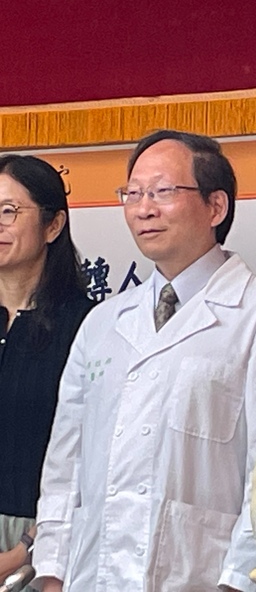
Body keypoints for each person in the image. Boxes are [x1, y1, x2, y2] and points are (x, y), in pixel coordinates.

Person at [32, 130, 256, 592]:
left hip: (201, 575)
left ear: (215, 207)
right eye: (133, 193)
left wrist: (239, 581)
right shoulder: (103, 321)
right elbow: (65, 463)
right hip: (93, 574)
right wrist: (52, 572)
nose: (144, 209)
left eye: (162, 191)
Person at [0, 156, 94, 585]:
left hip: (47, 546)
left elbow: (93, 456)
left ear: (53, 225)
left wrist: (25, 549)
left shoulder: (88, 326)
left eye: (9, 211)